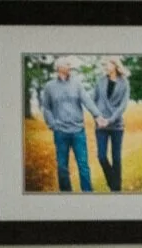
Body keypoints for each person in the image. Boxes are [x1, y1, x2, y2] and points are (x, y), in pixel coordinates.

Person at [40, 56, 97, 192]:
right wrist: (52, 124)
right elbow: (46, 107)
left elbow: (87, 100)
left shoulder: (77, 84)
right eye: (67, 64)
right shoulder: (49, 87)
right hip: (60, 133)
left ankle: (88, 193)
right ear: (60, 68)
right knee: (62, 166)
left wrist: (97, 115)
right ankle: (66, 195)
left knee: (83, 165)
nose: (70, 65)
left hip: (78, 131)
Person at [94, 57, 130, 193]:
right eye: (104, 64)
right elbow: (93, 100)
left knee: (116, 158)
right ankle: (113, 182)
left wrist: (110, 120)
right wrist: (97, 117)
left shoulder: (124, 82)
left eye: (107, 64)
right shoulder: (100, 81)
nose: (105, 66)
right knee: (101, 156)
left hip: (116, 126)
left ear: (115, 65)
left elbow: (123, 105)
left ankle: (116, 189)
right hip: (100, 125)